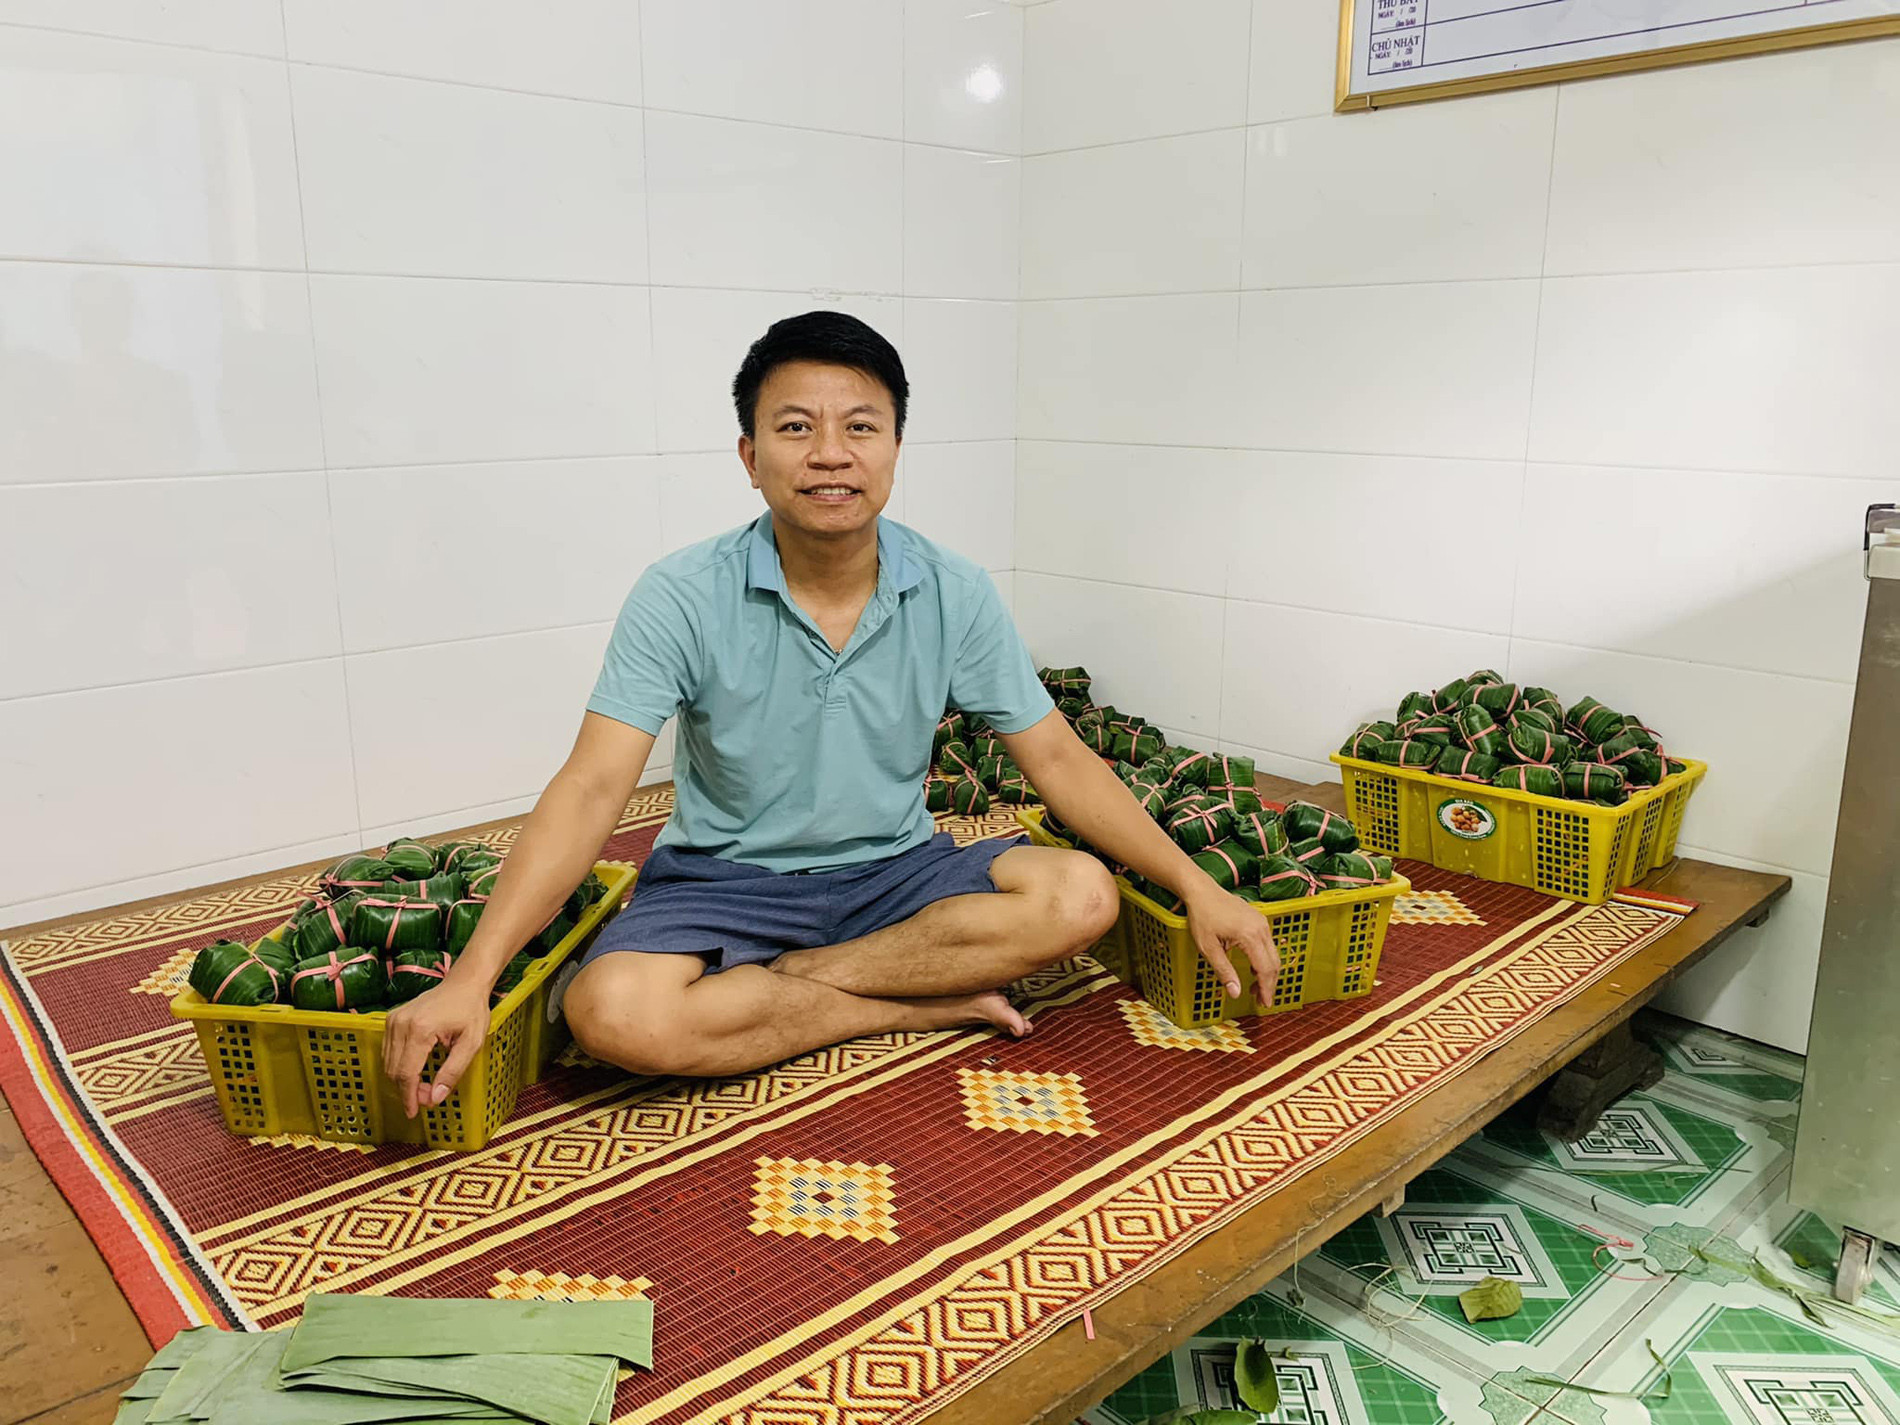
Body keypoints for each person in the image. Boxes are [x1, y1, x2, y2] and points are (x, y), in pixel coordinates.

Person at [383, 312, 1278, 1116]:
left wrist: (1197, 884)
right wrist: (473, 977)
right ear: (750, 457)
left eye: (860, 426)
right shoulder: (680, 594)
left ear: (895, 448)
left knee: (1081, 895)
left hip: (899, 875)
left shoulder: (954, 588)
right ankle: (907, 1006)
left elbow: (1057, 755)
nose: (830, 454)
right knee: (611, 1013)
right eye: (795, 428)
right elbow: (590, 787)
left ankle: (795, 982)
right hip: (723, 881)